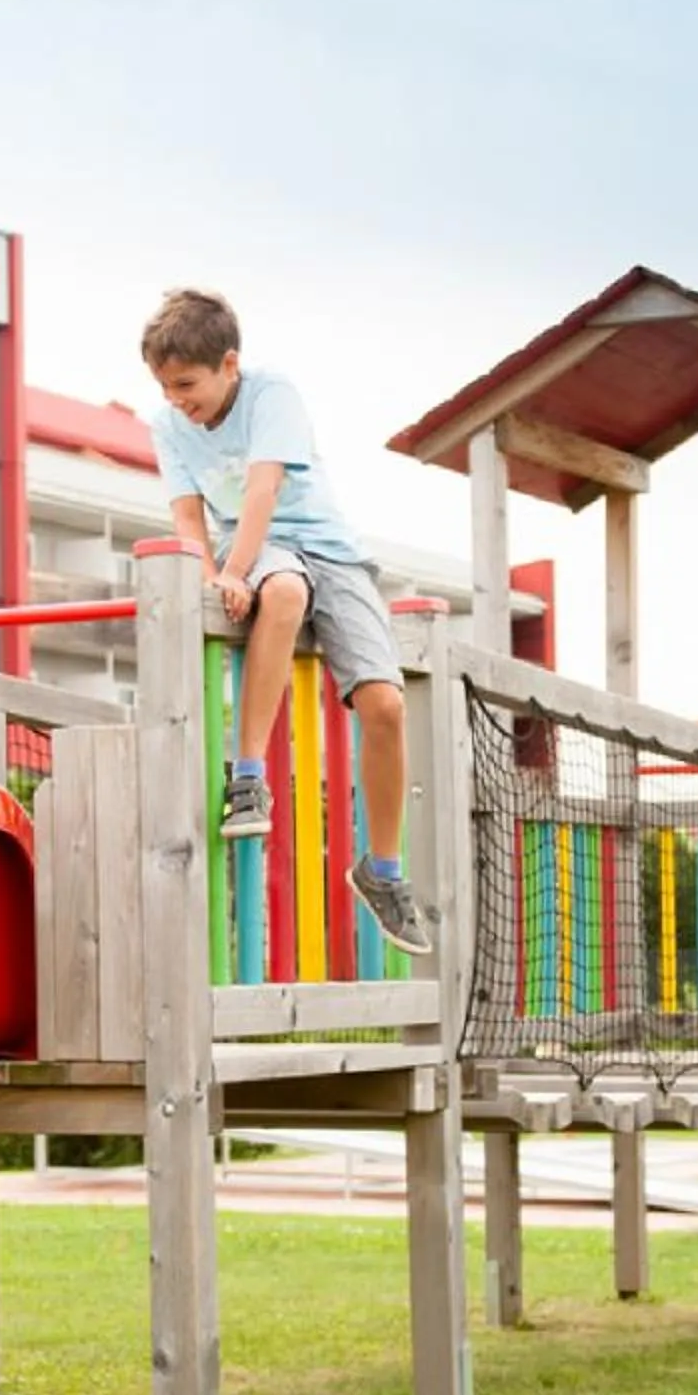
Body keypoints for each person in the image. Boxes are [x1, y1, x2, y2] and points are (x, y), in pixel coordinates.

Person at [140, 287, 436, 956]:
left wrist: (234, 570)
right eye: (163, 386)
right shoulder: (167, 426)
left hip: (328, 549)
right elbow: (188, 517)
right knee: (282, 594)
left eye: (186, 384)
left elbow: (263, 489)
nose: (175, 399)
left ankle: (383, 871)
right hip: (262, 552)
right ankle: (247, 777)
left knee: (386, 705)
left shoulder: (272, 394)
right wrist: (215, 576)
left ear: (229, 365)